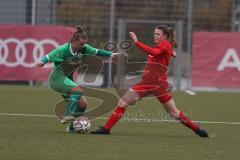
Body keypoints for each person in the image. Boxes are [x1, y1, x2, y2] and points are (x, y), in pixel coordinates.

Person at [91, 25, 209, 137]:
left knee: (173, 113)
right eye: (154, 33)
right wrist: (171, 53)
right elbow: (160, 54)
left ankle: (196, 129)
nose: (155, 36)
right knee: (123, 103)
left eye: (157, 34)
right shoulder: (164, 46)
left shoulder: (164, 45)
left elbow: (156, 53)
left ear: (165, 36)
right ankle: (106, 129)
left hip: (156, 85)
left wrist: (137, 43)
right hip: (148, 83)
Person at [37, 25, 120, 132]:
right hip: (57, 79)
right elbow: (48, 57)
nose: (82, 46)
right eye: (80, 44)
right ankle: (66, 115)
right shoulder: (64, 49)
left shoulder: (84, 48)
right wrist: (41, 62)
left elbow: (97, 51)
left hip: (67, 80)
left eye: (84, 44)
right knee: (78, 91)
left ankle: (71, 128)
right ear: (73, 41)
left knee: (82, 104)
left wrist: (110, 54)